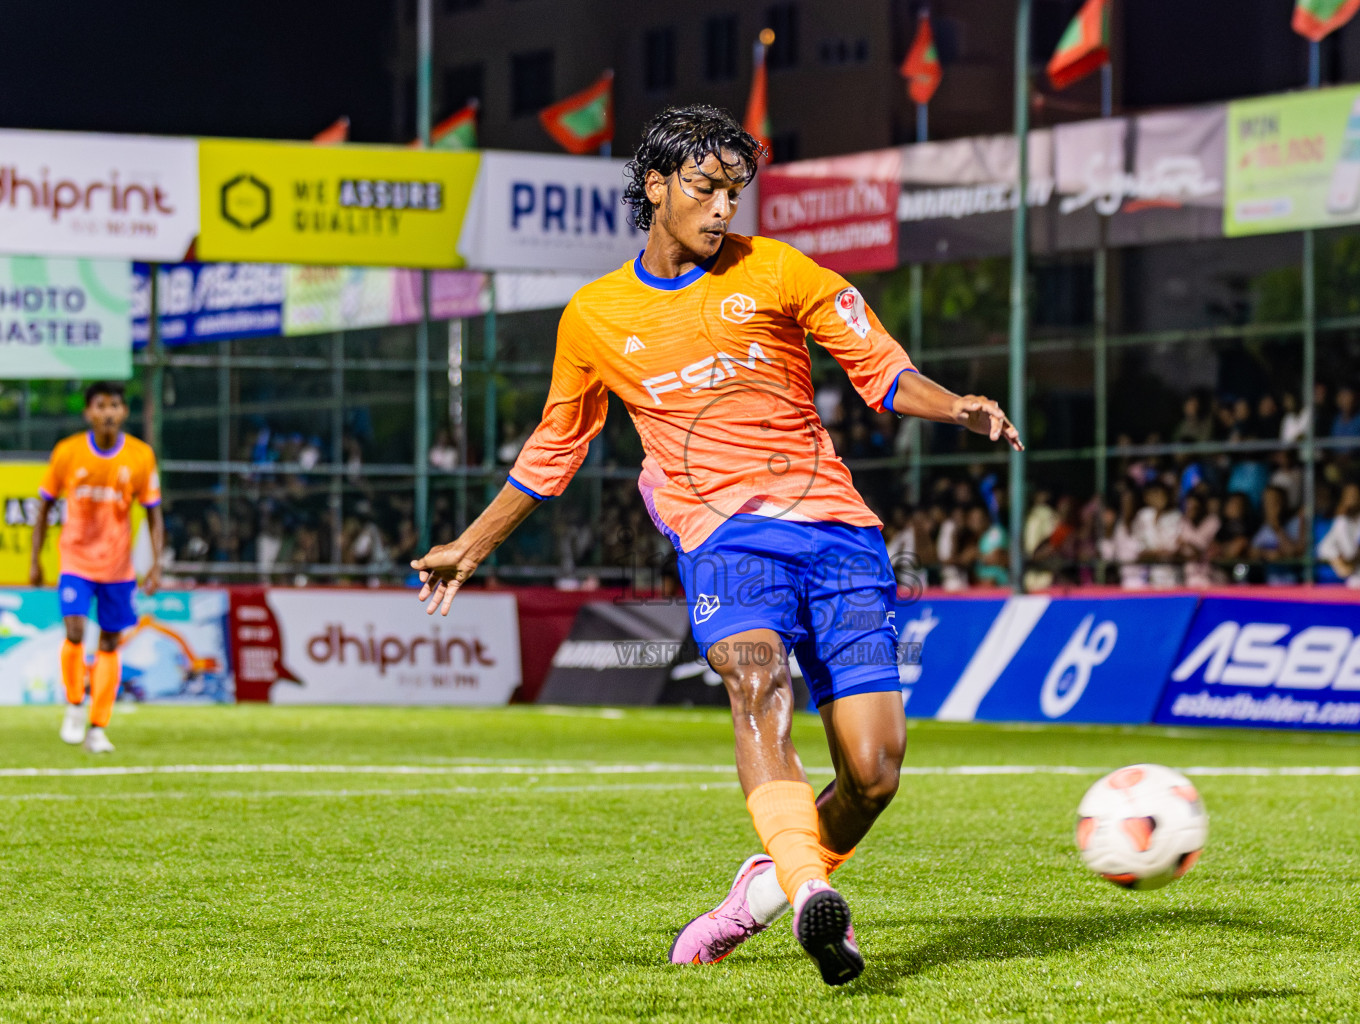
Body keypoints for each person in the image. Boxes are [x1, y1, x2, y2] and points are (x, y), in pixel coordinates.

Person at [409, 105, 1021, 987]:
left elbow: (882, 369)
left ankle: (760, 896)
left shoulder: (779, 270)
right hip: (724, 536)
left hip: (838, 535)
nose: (724, 207)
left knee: (874, 775)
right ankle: (812, 890)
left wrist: (955, 405)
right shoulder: (594, 316)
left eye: (736, 191)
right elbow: (556, 446)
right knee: (754, 679)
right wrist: (472, 544)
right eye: (705, 187)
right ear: (656, 186)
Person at [29, 381, 165, 754]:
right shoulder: (68, 452)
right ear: (88, 412)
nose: (108, 412)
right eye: (100, 405)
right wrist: (35, 559)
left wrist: (156, 564)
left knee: (109, 642)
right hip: (76, 559)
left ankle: (98, 728)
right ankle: (75, 704)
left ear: (124, 412)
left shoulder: (140, 456)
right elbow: (44, 507)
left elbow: (154, 514)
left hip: (118, 567)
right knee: (74, 630)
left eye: (114, 405)